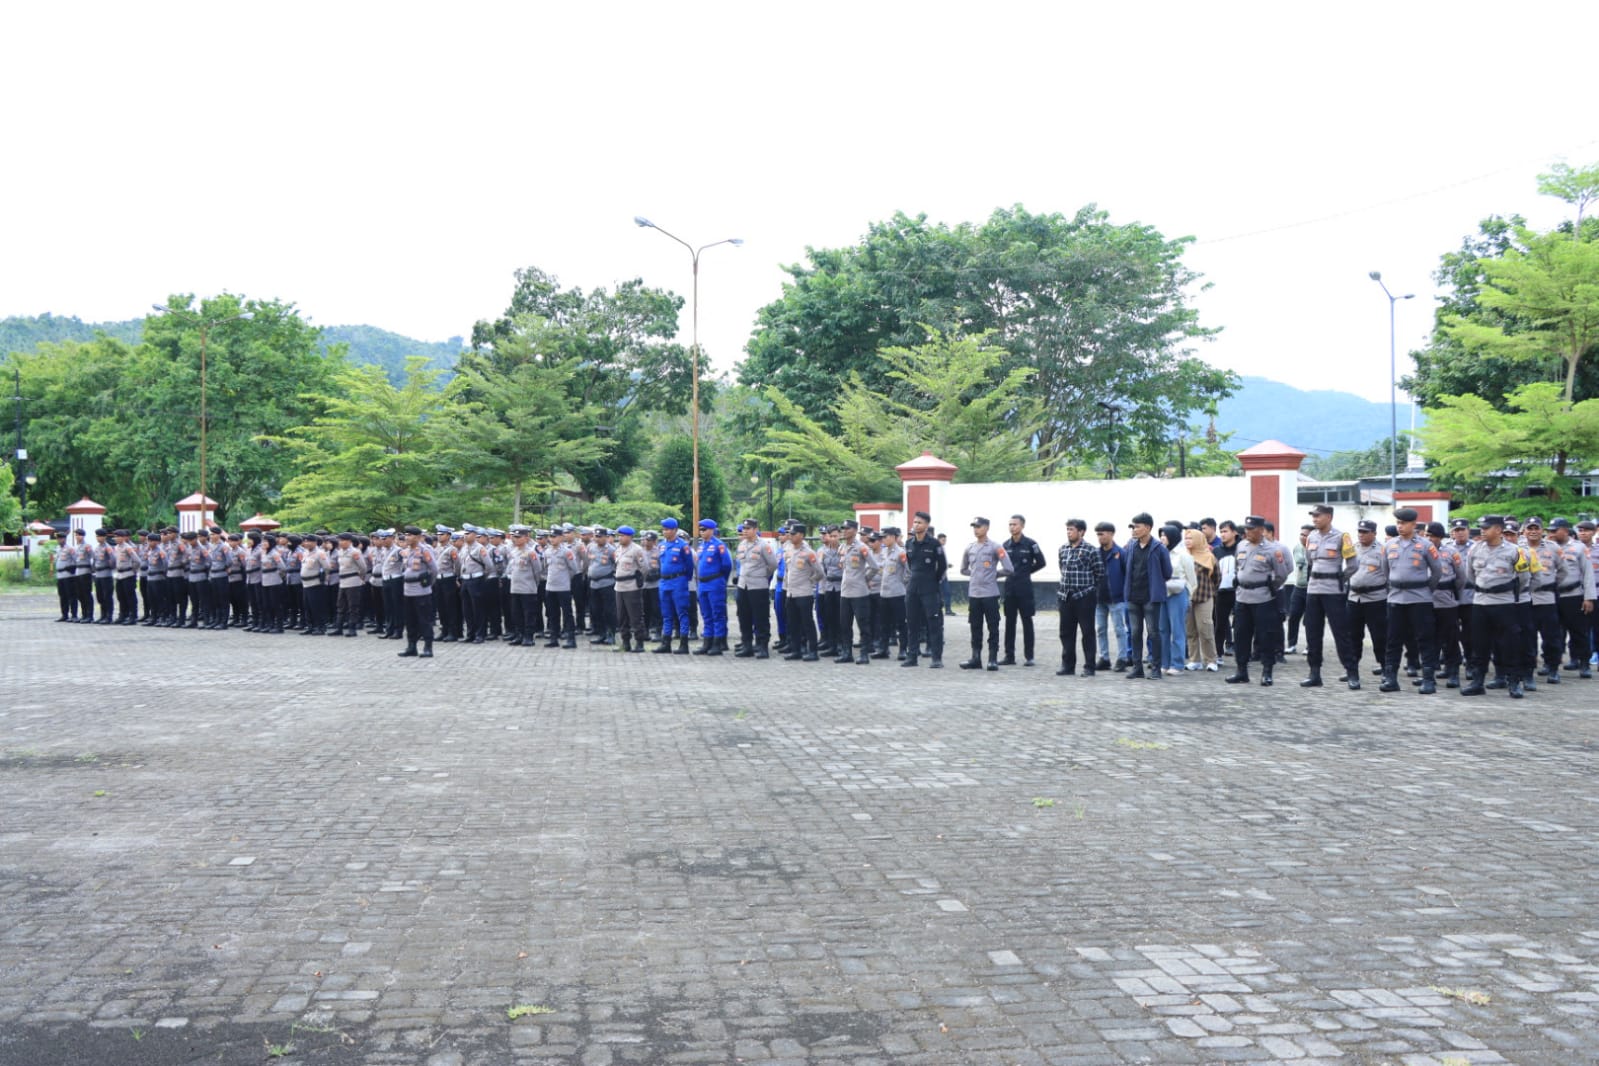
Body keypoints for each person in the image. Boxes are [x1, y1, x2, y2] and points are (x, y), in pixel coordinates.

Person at [1460, 515, 1532, 698]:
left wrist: (1505, 591)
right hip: (1480, 602)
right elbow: (1470, 575)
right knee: (1479, 644)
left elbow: (1524, 578)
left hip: (1504, 603)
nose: (1482, 531)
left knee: (1509, 644)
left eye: (1487, 528)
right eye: (1482, 527)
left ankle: (1513, 682)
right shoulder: (1475, 549)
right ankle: (1477, 682)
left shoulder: (1515, 551)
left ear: (1499, 530)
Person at [1380, 507, 1441, 694]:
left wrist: (1425, 590)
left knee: (1425, 639)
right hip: (1396, 598)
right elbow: (1385, 571)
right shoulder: (1389, 545)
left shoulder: (1426, 545)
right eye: (1398, 523)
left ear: (1414, 525)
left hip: (1420, 598)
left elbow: (1437, 572)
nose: (1400, 526)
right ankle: (1391, 678)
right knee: (1393, 639)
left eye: (1404, 523)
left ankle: (1428, 679)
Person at [1225, 515, 1290, 686]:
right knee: (1241, 636)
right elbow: (1239, 568)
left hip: (1263, 598)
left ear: (1261, 530)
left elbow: (1282, 573)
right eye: (1246, 529)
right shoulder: (1241, 546)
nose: (1247, 532)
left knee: (1265, 636)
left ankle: (1267, 672)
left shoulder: (1273, 550)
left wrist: (1269, 587)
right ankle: (1241, 671)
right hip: (1242, 597)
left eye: (1251, 529)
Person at [1299, 505, 1358, 689]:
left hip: (1333, 591)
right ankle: (1314, 673)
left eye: (1318, 516)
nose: (1315, 519)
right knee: (1312, 634)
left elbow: (1353, 565)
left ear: (1329, 517)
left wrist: (1340, 578)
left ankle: (1352, 673)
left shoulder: (1341, 537)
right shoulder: (1311, 537)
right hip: (1313, 590)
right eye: (1313, 516)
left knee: (1341, 634)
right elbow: (1310, 561)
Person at [1122, 513, 1171, 681]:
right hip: (1133, 597)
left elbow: (1167, 572)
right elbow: (1125, 568)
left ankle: (1156, 669)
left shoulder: (1159, 548)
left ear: (1148, 528)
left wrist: (1155, 581)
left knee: (1153, 633)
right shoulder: (1130, 546)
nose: (1134, 530)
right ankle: (1137, 668)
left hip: (1151, 597)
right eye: (1133, 526)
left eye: (1137, 526)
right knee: (1135, 633)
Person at [960, 517, 1013, 671]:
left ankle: (992, 659)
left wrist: (993, 575)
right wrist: (975, 575)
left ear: (987, 528)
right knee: (975, 627)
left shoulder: (995, 547)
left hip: (990, 594)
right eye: (974, 527)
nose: (976, 529)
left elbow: (1009, 568)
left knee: (993, 627)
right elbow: (963, 569)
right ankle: (975, 658)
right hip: (974, 594)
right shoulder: (969, 548)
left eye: (979, 526)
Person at [1548, 517, 1595, 679]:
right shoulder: (1547, 547)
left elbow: (1588, 573)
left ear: (1565, 530)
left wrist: (1589, 597)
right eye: (1550, 531)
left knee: (1579, 631)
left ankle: (1584, 663)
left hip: (1573, 595)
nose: (1552, 533)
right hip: (1551, 596)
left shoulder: (1579, 547)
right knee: (1552, 633)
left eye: (1555, 530)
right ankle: (1551, 664)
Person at [1056, 519, 1104, 677]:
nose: (1069, 532)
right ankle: (1068, 666)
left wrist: (1090, 590)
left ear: (1081, 532)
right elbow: (1062, 569)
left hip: (1084, 597)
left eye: (1072, 529)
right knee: (1066, 633)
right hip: (1065, 597)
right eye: (1067, 529)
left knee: (1087, 633)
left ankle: (1089, 666)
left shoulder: (1091, 550)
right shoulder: (1063, 549)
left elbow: (1099, 573)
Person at [1000, 515, 1046, 666]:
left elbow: (1041, 562)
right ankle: (1009, 656)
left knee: (1027, 621)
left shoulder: (1031, 544)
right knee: (1010, 622)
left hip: (1024, 588)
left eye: (1015, 524)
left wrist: (1026, 572)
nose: (1012, 527)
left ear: (1022, 526)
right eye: (1010, 524)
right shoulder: (1005, 545)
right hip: (1009, 588)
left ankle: (1029, 656)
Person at [902, 511, 946, 668]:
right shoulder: (909, 543)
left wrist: (933, 580)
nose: (916, 525)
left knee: (933, 623)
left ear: (927, 525)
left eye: (919, 522)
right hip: (913, 588)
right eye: (915, 522)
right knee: (912, 623)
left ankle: (936, 658)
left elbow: (942, 566)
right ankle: (912, 656)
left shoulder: (934, 544)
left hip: (929, 588)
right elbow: (910, 564)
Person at [1427, 521, 1468, 688]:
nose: (1429, 539)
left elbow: (1461, 578)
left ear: (1439, 537)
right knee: (1428, 639)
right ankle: (1428, 674)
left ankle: (1453, 673)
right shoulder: (1421, 551)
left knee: (1450, 638)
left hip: (1446, 601)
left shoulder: (1451, 552)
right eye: (1427, 535)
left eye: (1432, 536)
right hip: (1426, 600)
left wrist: (1452, 592)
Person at [733, 519, 778, 658]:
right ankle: (747, 645)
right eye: (744, 528)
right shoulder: (742, 544)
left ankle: (762, 646)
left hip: (758, 586)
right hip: (743, 585)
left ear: (755, 529)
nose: (745, 531)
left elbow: (773, 564)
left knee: (761, 617)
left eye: (748, 528)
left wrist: (762, 576)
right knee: (744, 616)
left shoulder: (763, 545)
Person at [835, 520, 878, 664]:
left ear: (854, 530)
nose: (844, 531)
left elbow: (874, 567)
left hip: (859, 592)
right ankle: (847, 653)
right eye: (843, 528)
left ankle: (864, 654)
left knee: (863, 625)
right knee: (844, 624)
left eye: (847, 528)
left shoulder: (861, 547)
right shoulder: (842, 547)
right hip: (845, 591)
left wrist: (865, 579)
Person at [394, 526, 438, 658]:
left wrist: (428, 584)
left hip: (421, 591)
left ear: (418, 537)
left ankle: (428, 647)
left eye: (410, 535)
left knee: (424, 620)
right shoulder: (406, 551)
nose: (407, 537)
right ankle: (411, 647)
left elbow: (434, 570)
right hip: (408, 591)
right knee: (410, 620)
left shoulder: (424, 551)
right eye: (406, 535)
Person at [781, 523, 823, 662]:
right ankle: (796, 650)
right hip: (790, 593)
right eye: (790, 534)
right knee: (792, 623)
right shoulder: (789, 550)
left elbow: (820, 572)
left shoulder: (809, 553)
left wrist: (810, 582)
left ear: (801, 535)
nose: (790, 536)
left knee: (807, 623)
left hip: (804, 593)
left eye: (793, 534)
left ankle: (813, 651)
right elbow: (788, 571)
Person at [654, 518, 694, 654]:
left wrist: (684, 579)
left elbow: (689, 566)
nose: (664, 532)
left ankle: (683, 644)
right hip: (664, 582)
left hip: (678, 581)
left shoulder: (683, 546)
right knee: (666, 613)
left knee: (682, 612)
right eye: (663, 529)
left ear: (675, 530)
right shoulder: (661, 545)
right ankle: (666, 643)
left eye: (667, 529)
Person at [693, 519, 733, 655]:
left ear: (711, 530)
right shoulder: (701, 546)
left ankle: (717, 643)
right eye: (700, 530)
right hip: (702, 584)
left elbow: (727, 565)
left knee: (717, 614)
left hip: (715, 583)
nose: (701, 532)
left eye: (704, 530)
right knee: (706, 614)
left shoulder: (719, 545)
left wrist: (721, 580)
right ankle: (707, 643)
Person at [1093, 522, 1129, 671]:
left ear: (1111, 534)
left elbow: (1127, 575)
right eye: (1098, 534)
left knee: (1119, 630)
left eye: (1102, 534)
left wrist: (1125, 594)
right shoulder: (1095, 553)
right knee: (1100, 629)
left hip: (1117, 598)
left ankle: (1122, 658)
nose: (1099, 537)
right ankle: (1104, 658)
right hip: (1099, 599)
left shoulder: (1121, 553)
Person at [1184, 528, 1221, 671]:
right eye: (1186, 538)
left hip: (1204, 596)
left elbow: (1217, 577)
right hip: (1187, 598)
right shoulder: (1183, 556)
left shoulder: (1209, 557)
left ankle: (1211, 660)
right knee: (1190, 630)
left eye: (1190, 538)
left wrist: (1211, 590)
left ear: (1199, 540)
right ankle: (1194, 660)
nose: (1187, 541)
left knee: (1205, 628)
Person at [1161, 524, 1193, 676]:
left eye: (1165, 535)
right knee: (1162, 629)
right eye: (1161, 535)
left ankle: (1178, 664)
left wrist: (1188, 596)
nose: (1162, 538)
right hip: (1162, 593)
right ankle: (1164, 663)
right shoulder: (1160, 553)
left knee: (1177, 629)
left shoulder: (1183, 554)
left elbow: (1192, 579)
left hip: (1178, 593)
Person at [611, 526, 648, 652]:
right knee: (622, 617)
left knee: (635, 616)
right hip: (619, 586)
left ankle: (639, 643)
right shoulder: (618, 549)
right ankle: (625, 642)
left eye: (622, 536)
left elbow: (644, 568)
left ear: (629, 537)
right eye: (619, 536)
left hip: (632, 587)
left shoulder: (636, 550)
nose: (619, 538)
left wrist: (639, 580)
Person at [877, 528, 909, 659]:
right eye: (882, 537)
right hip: (884, 593)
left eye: (885, 537)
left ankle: (903, 650)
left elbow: (908, 571)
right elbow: (881, 569)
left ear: (893, 537)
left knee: (901, 623)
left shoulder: (901, 553)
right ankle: (883, 649)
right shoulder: (883, 552)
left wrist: (902, 583)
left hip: (897, 593)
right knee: (884, 623)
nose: (883, 539)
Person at [586, 528, 617, 645]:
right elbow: (589, 562)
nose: (597, 539)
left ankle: (611, 635)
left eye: (600, 536)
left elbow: (616, 564)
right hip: (593, 584)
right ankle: (601, 634)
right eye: (596, 536)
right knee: (596, 610)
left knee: (609, 611)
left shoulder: (611, 550)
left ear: (606, 537)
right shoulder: (591, 547)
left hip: (607, 583)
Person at [1214, 520, 1239, 657]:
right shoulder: (1217, 551)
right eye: (1221, 532)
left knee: (1240, 624)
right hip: (1221, 592)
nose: (1222, 534)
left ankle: (1241, 652)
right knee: (1220, 624)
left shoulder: (1241, 548)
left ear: (1234, 532)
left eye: (1225, 531)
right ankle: (1218, 654)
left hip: (1239, 592)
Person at [1284, 525, 1310, 653]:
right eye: (1301, 534)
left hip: (1312, 589)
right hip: (1298, 587)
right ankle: (1292, 644)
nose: (1302, 537)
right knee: (1293, 615)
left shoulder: (1315, 548)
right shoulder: (1297, 548)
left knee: (1310, 619)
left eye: (1305, 535)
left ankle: (1310, 646)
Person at [937, 532, 954, 616]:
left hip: (944, 575)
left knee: (947, 592)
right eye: (943, 540)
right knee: (938, 594)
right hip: (938, 575)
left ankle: (948, 609)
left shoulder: (943, 548)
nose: (945, 542)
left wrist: (947, 565)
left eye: (945, 540)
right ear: (938, 540)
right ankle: (937, 609)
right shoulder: (936, 549)